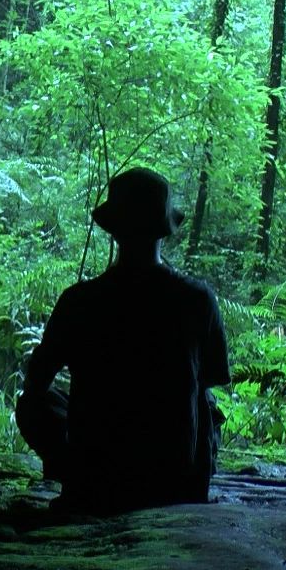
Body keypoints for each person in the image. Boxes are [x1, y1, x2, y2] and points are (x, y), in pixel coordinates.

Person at [16, 167, 232, 512]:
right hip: (174, 477)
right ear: (164, 229)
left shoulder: (79, 301)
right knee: (206, 404)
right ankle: (177, 486)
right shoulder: (197, 299)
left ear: (114, 231)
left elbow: (37, 382)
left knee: (34, 403)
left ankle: (82, 482)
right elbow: (210, 382)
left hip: (98, 471)